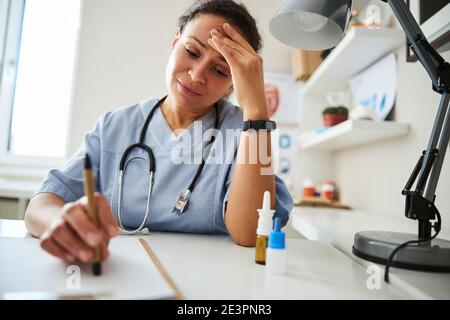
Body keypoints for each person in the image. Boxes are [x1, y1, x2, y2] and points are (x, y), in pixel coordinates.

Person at [24, 0, 293, 264]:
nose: (197, 74)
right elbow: (42, 203)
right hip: (122, 273)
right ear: (175, 43)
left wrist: (257, 112)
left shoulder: (248, 133)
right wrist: (60, 222)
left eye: (220, 69)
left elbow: (250, 233)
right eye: (192, 51)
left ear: (232, 83)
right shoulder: (115, 126)